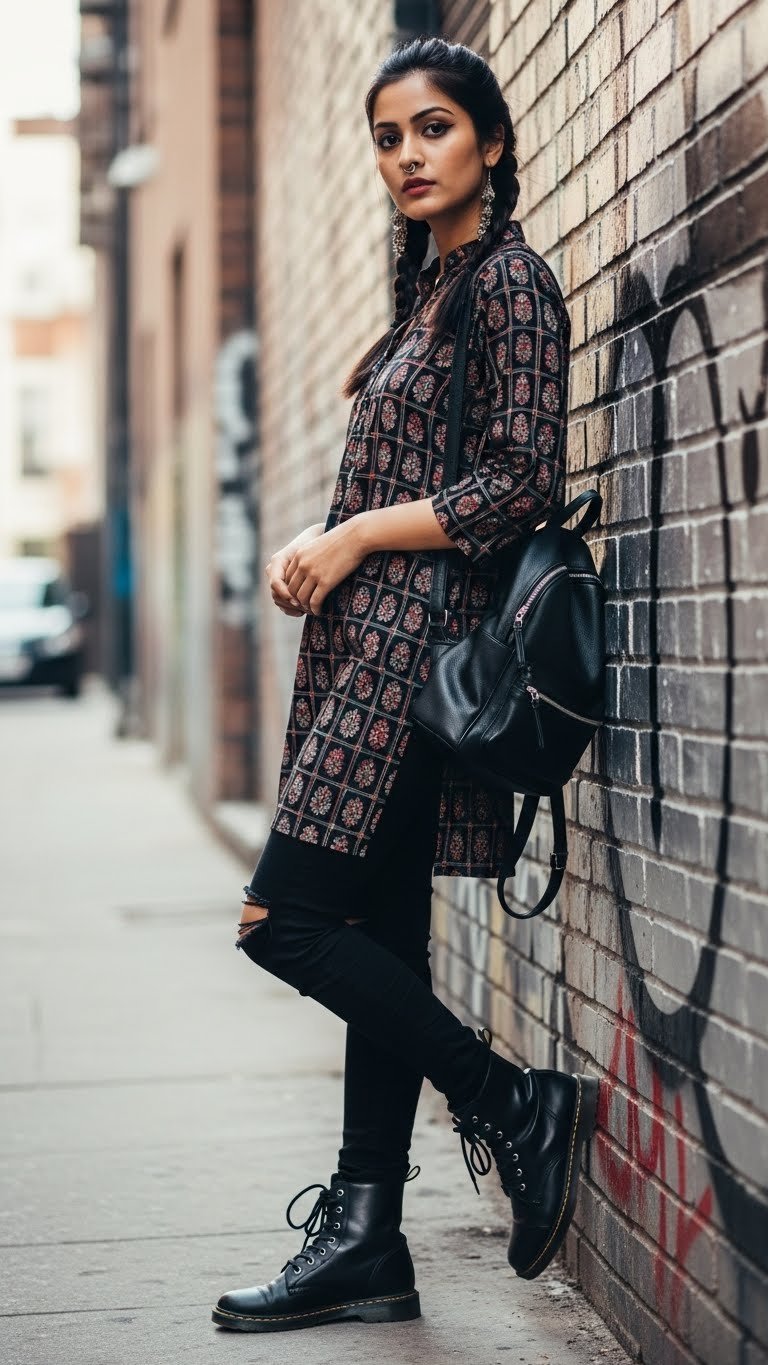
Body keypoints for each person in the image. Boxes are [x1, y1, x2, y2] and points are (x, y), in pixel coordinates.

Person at [212, 34, 599, 1335]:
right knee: (369, 939)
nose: (407, 157)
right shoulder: (428, 298)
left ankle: (511, 1099)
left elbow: (519, 484)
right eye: (388, 137)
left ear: (491, 143)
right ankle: (368, 1234)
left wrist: (357, 535)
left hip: (408, 670)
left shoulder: (510, 285)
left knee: (287, 920)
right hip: (368, 662)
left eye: (433, 129)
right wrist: (319, 550)